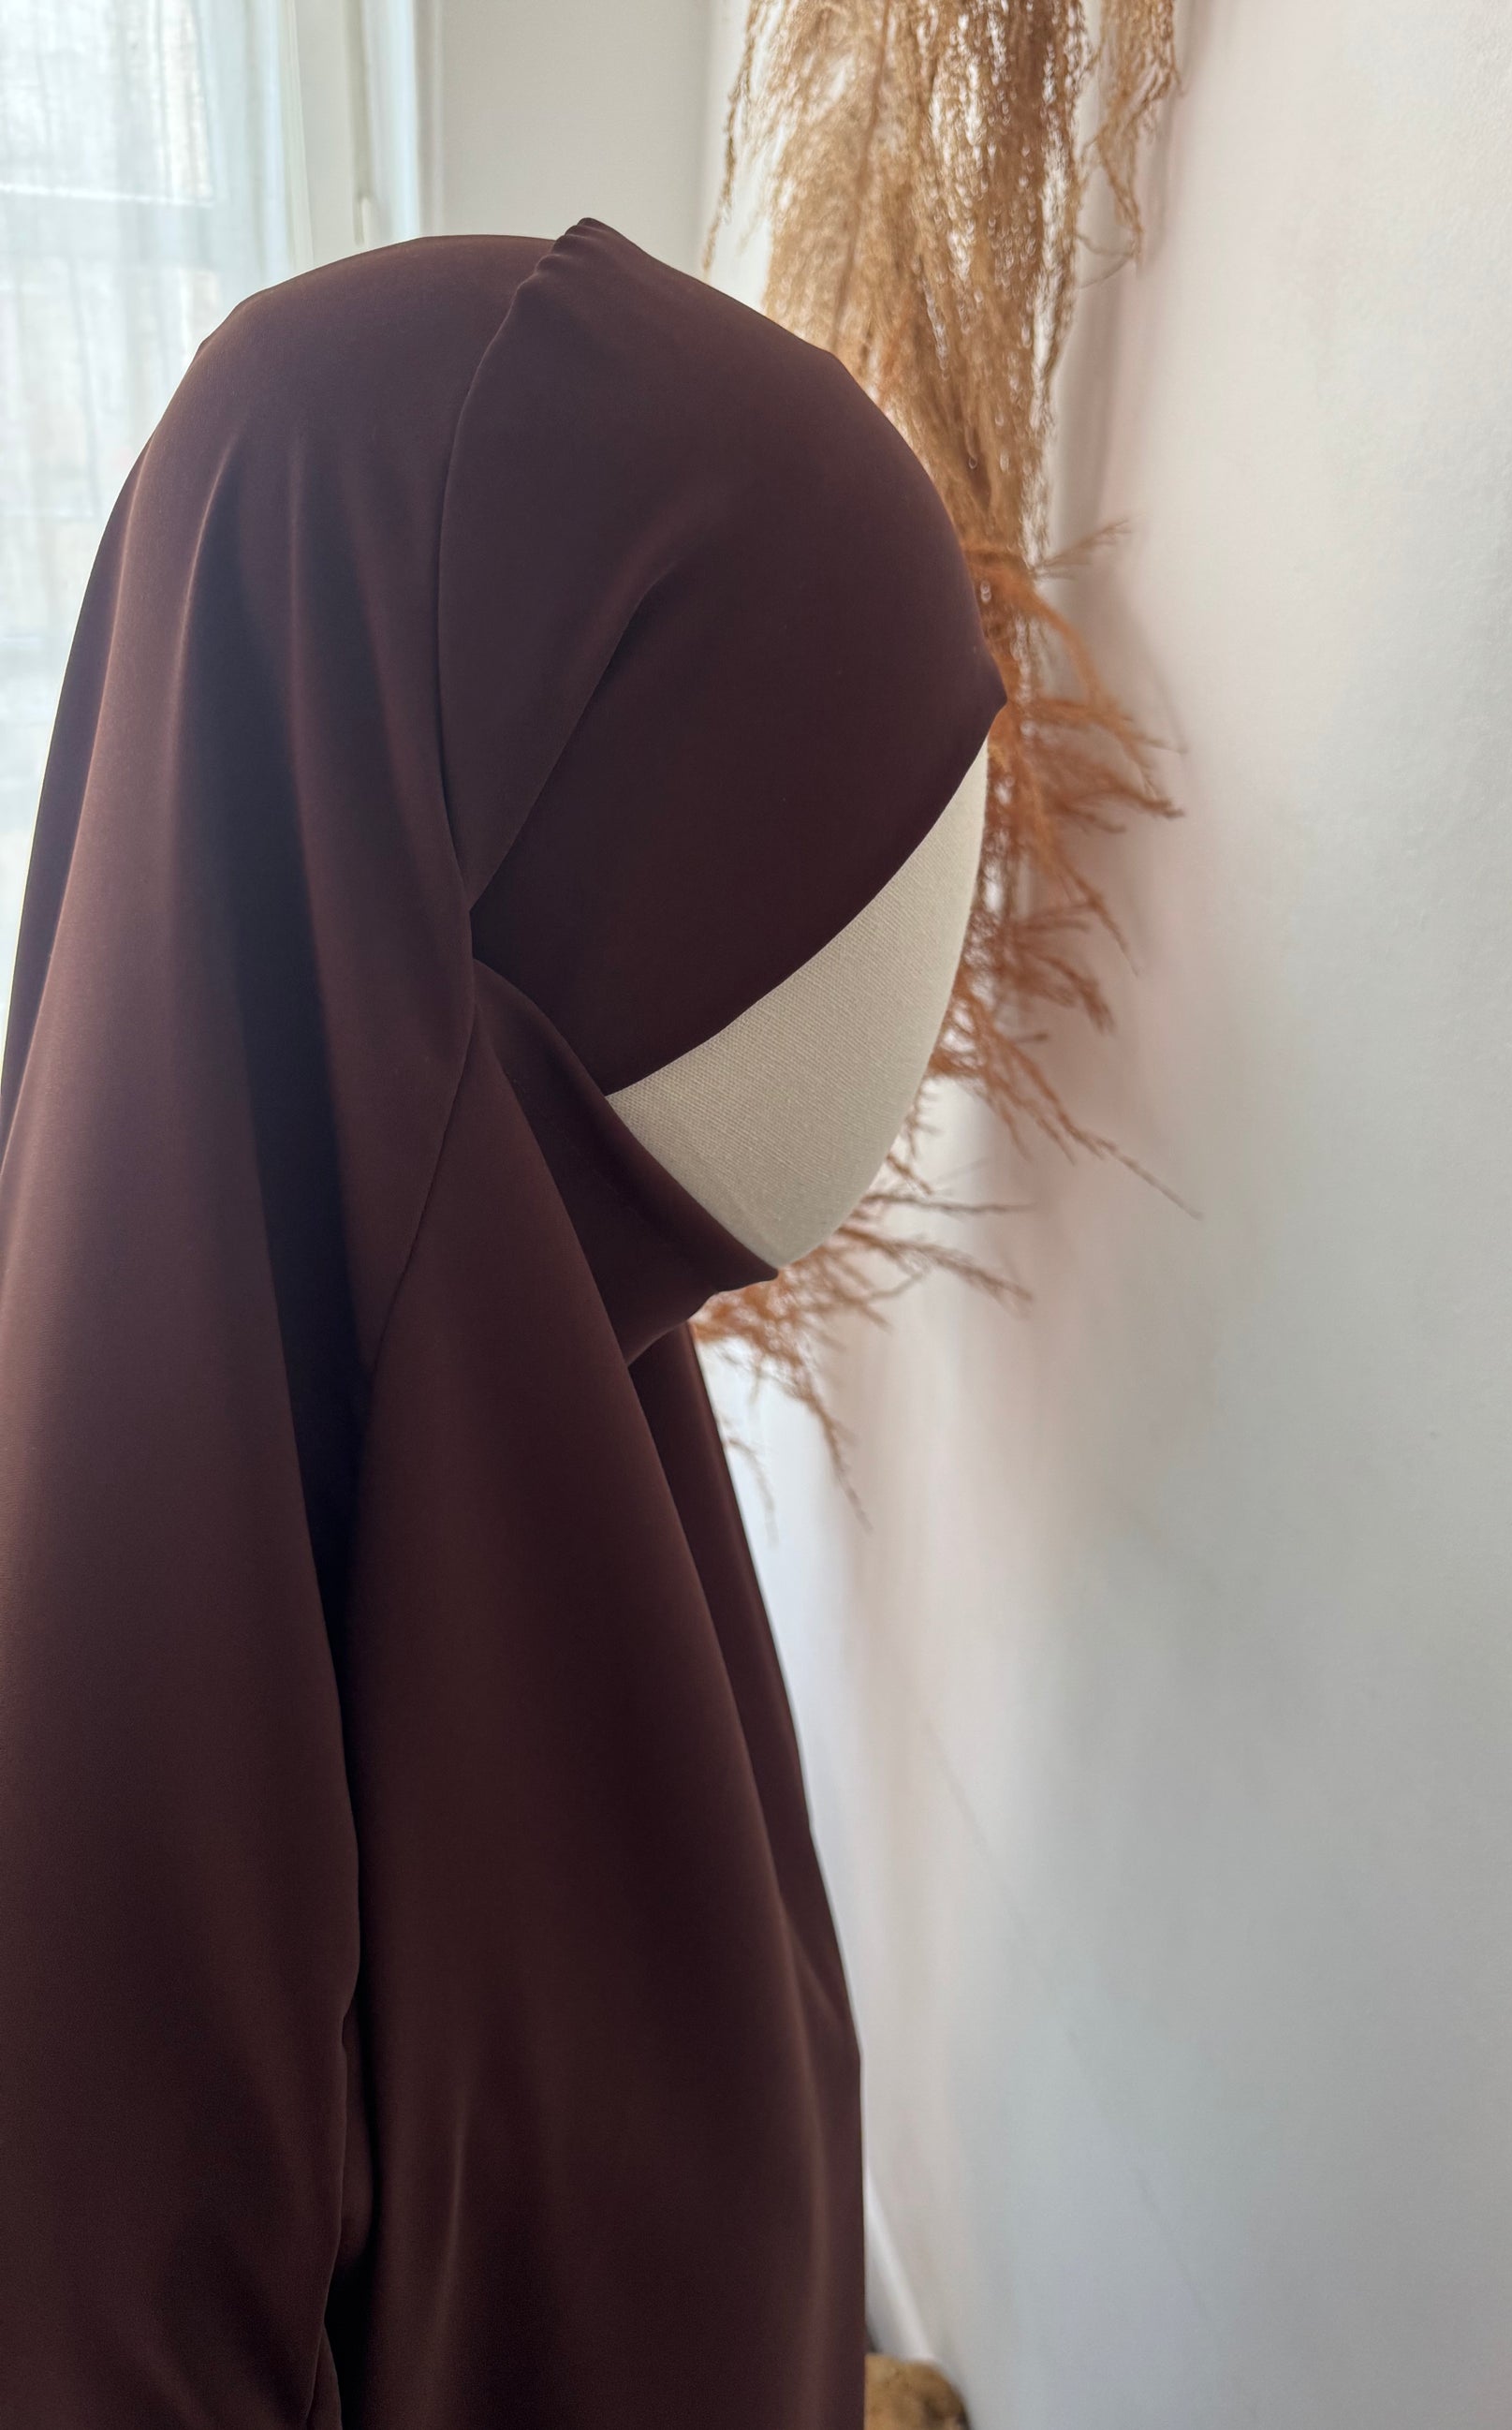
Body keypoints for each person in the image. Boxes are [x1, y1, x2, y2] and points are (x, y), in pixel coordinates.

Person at [0, 218, 1002, 2428]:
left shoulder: (526, 1357)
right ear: (479, 919)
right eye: (836, 875)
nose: (922, 994)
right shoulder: (106, 1817)